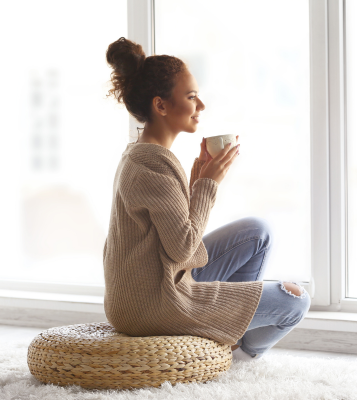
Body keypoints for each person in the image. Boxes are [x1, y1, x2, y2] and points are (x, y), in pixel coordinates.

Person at [103, 37, 311, 360]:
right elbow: (184, 247)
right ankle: (238, 357)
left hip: (151, 284)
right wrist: (207, 186)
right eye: (191, 97)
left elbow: (167, 236)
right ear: (161, 106)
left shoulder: (142, 154)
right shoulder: (153, 165)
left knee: (258, 233)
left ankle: (227, 338)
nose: (201, 106)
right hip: (155, 304)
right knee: (295, 301)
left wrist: (196, 181)